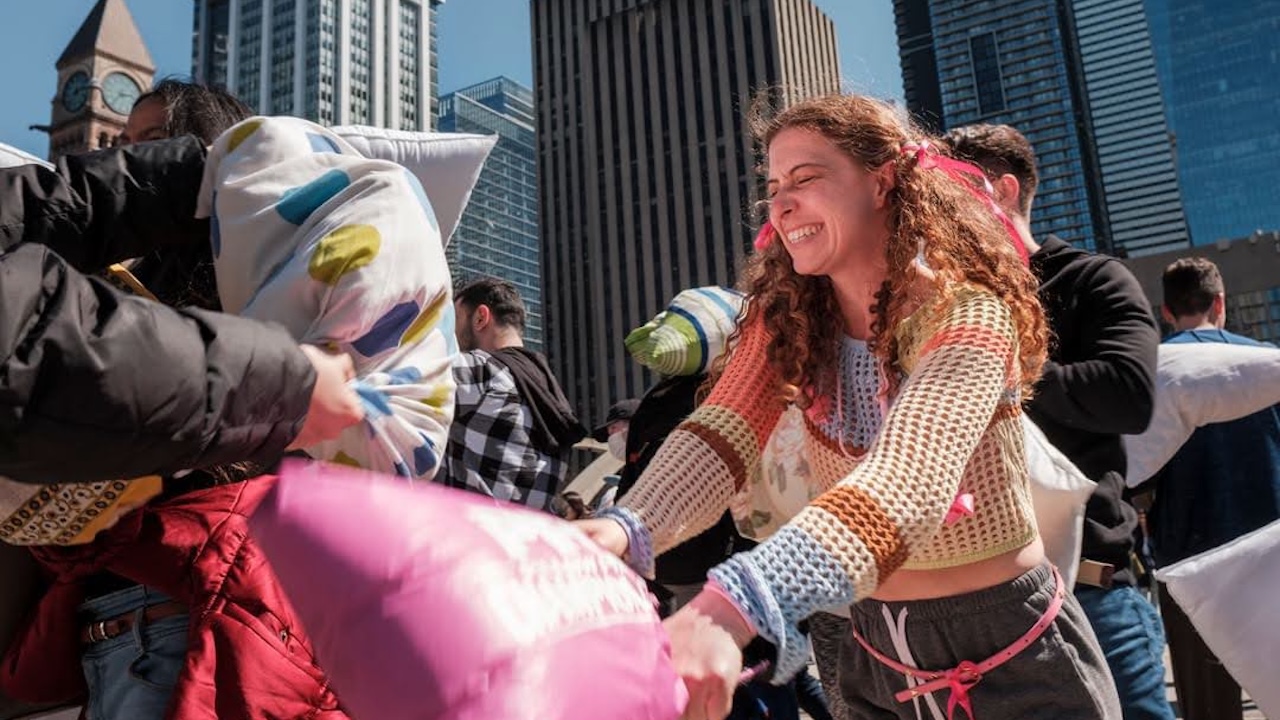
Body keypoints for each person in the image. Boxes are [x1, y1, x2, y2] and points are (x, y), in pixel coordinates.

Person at [579, 94, 1119, 720]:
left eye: (806, 179)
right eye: (774, 186)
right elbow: (716, 437)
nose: (781, 203)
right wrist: (625, 525)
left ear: (883, 181)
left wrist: (732, 608)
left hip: (1013, 653)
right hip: (874, 655)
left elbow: (909, 481)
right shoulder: (782, 326)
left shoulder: (969, 313)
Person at [946, 124, 1172, 720]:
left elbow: (1128, 395)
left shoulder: (1094, 279)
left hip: (1094, 592)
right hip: (982, 608)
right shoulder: (942, 303)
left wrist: (995, 363)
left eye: (948, 195)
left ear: (1003, 190)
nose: (935, 215)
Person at [1145, 257, 1280, 720]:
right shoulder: (1265, 362)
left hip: (1189, 562)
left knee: (1208, 707)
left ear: (1166, 312)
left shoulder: (1150, 374)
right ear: (1220, 303)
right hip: (1269, 553)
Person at [442, 278, 586, 512]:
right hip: (525, 538)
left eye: (455, 321)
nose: (453, 334)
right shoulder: (546, 386)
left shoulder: (483, 371)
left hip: (473, 534)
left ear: (480, 317)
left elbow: (405, 380)